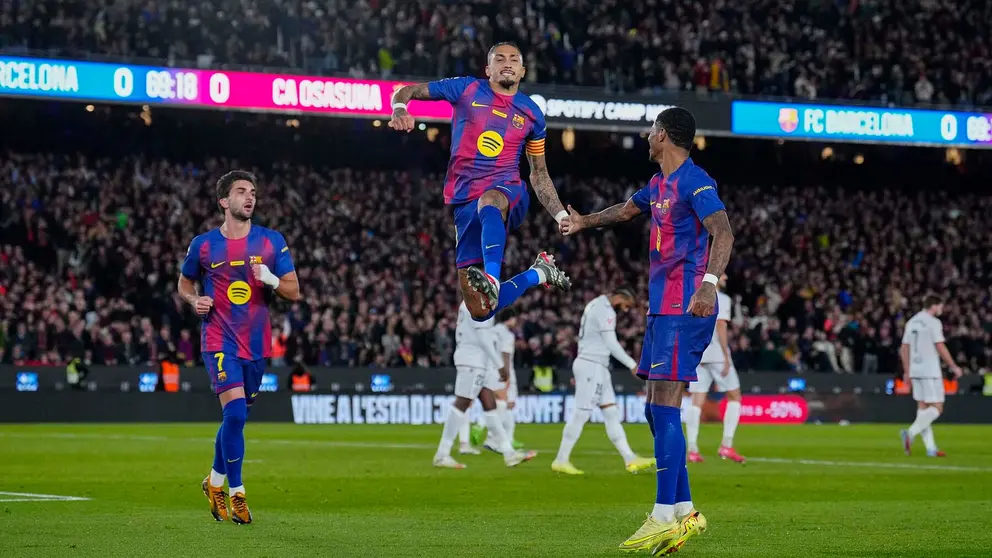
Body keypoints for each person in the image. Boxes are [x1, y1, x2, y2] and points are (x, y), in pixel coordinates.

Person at [561, 107, 734, 555]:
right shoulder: (659, 185)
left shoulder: (696, 181)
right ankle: (685, 510)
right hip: (662, 308)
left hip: (686, 303)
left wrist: (709, 286)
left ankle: (662, 514)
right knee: (654, 411)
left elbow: (724, 232)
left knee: (667, 405)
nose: (646, 135)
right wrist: (582, 221)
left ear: (666, 136)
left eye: (652, 130)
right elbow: (622, 212)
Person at [389, 42, 571, 320]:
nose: (507, 63)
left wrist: (559, 214)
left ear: (522, 71)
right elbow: (408, 90)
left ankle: (493, 278)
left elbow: (539, 172)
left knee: (489, 200)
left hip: (507, 189)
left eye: (514, 59)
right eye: (499, 59)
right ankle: (539, 273)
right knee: (480, 310)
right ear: (488, 69)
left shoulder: (532, 114)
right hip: (463, 199)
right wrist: (400, 108)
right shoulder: (466, 89)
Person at [178, 170, 300, 524]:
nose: (250, 197)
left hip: (258, 343)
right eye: (241, 192)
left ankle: (213, 482)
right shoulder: (203, 244)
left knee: (237, 419)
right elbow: (185, 282)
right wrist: (194, 300)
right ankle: (237, 493)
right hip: (218, 340)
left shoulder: (271, 241)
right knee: (235, 415)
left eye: (253, 193)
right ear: (223, 201)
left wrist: (272, 279)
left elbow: (294, 291)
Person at [552, 288, 656, 475]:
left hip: (599, 366)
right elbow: (611, 343)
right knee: (581, 413)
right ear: (620, 298)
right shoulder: (605, 310)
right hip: (591, 365)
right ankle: (561, 459)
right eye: (625, 306)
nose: (624, 310)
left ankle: (630, 458)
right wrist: (632, 364)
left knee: (611, 412)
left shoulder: (595, 304)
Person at [433, 301, 536, 469]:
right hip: (472, 360)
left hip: (479, 361)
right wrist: (499, 365)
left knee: (490, 405)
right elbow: (483, 340)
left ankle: (508, 453)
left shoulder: (474, 303)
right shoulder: (475, 303)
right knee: (462, 403)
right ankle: (442, 454)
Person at [684, 274, 746, 463]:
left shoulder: (695, 296)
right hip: (717, 354)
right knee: (735, 396)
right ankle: (726, 445)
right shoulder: (722, 298)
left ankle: (692, 450)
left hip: (699, 353)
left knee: (697, 401)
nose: (726, 277)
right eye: (723, 274)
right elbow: (720, 326)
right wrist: (726, 356)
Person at [899, 295, 963, 457]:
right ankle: (910, 433)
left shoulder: (911, 322)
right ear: (933, 306)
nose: (941, 309)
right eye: (940, 306)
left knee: (923, 409)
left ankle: (931, 449)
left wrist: (906, 371)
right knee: (937, 408)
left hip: (915, 370)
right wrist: (953, 366)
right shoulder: (933, 323)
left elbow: (904, 348)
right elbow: (940, 346)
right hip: (930, 371)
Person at [474, 308, 524, 450]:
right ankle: (489, 433)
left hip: (487, 369)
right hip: (501, 371)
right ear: (511, 318)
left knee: (501, 405)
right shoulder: (508, 335)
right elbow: (506, 355)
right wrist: (506, 376)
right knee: (503, 403)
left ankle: (506, 438)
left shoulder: (491, 331)